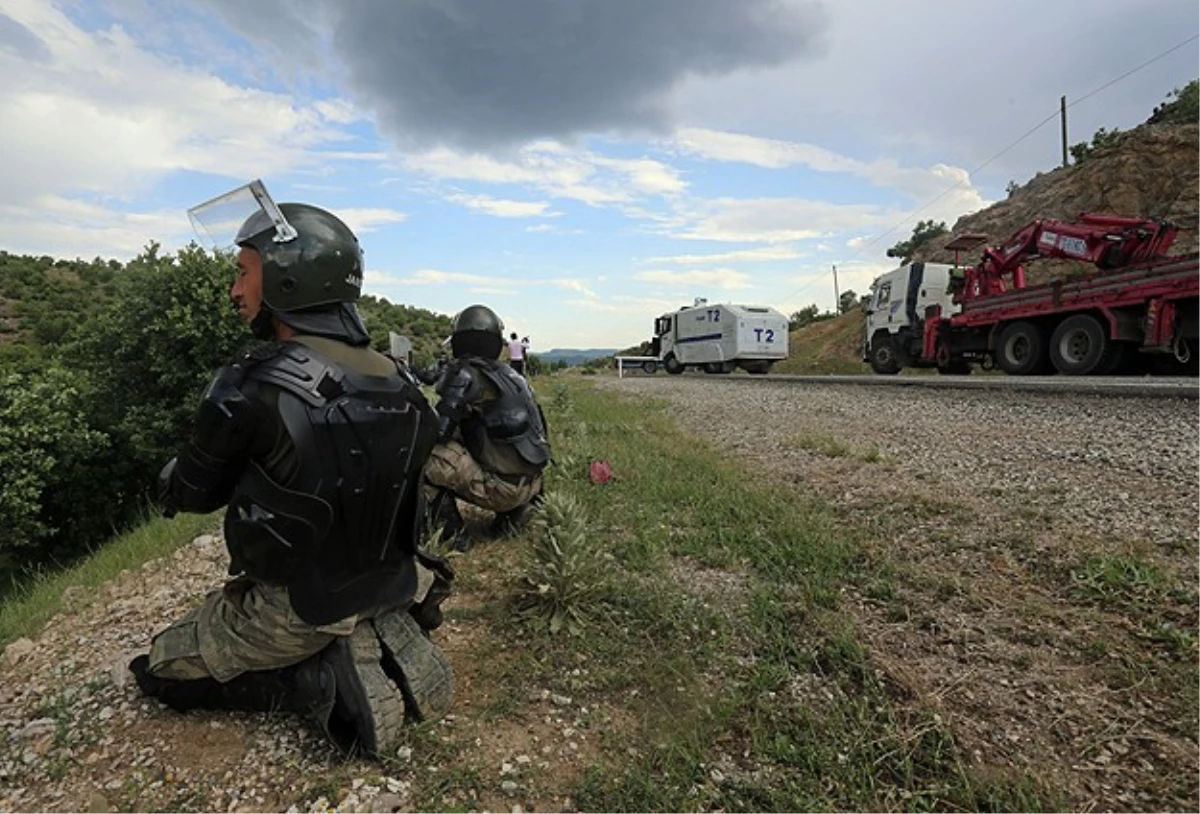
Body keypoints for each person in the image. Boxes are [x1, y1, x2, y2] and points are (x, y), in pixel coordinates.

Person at [128, 189, 454, 760]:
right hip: (395, 577)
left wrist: (175, 477)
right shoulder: (405, 385)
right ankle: (381, 627)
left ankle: (313, 678)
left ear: (284, 279)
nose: (234, 290)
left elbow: (193, 493)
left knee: (158, 667)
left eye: (242, 273)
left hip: (300, 603)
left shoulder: (250, 384)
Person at [425, 305, 551, 550]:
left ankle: (452, 535)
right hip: (533, 481)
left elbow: (437, 432)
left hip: (503, 489)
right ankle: (516, 513)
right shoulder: (514, 376)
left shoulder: (467, 374)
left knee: (420, 456)